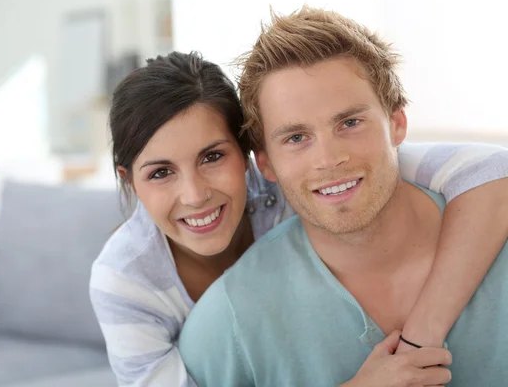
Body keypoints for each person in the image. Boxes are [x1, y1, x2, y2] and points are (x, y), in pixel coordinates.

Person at [90, 51, 508, 386]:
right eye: (161, 173)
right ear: (129, 181)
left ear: (251, 158)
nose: (195, 195)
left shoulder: (295, 181)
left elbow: (489, 170)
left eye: (213, 156)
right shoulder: (124, 282)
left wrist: (421, 337)